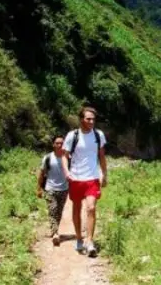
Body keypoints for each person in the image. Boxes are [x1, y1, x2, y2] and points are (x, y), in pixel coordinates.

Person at [61, 106, 108, 257]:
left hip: (92, 178)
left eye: (93, 119)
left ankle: (90, 241)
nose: (91, 122)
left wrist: (104, 174)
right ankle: (79, 238)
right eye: (88, 119)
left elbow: (101, 156)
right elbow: (64, 156)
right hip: (76, 178)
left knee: (91, 208)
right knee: (76, 208)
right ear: (81, 119)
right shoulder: (72, 136)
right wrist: (67, 172)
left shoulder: (98, 135)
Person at [36, 135, 68, 246]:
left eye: (62, 143)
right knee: (52, 210)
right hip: (50, 189)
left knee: (59, 212)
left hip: (64, 189)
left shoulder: (68, 158)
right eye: (57, 143)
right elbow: (41, 173)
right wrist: (39, 188)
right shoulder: (48, 158)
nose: (60, 145)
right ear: (53, 144)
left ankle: (55, 230)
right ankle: (55, 233)